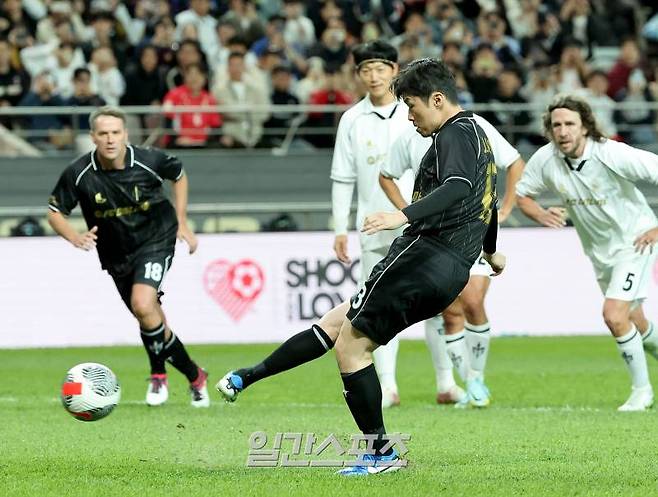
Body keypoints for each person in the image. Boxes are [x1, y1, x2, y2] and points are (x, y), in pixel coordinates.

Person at [218, 59, 505, 474]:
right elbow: (487, 201)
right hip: (449, 267)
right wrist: (491, 252)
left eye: (412, 105)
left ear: (437, 100)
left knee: (351, 348)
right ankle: (249, 376)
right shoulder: (479, 134)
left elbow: (458, 187)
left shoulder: (453, 134)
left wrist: (402, 215)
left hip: (423, 257)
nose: (409, 115)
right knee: (336, 324)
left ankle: (380, 454)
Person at [47, 105, 210, 408]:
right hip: (116, 254)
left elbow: (178, 173)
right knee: (151, 318)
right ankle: (195, 376)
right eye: (103, 133)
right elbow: (55, 212)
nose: (110, 139)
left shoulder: (148, 160)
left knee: (142, 303)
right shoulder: (79, 173)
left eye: (116, 132)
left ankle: (158, 373)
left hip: (156, 240)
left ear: (125, 134)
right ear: (93, 137)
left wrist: (182, 219)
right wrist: (74, 236)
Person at [516, 95, 658, 411]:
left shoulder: (611, 153)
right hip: (600, 253)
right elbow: (522, 194)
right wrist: (539, 214)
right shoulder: (546, 159)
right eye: (557, 125)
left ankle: (641, 391)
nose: (563, 131)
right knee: (636, 321)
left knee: (613, 314)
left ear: (585, 127)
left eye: (570, 124)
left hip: (635, 242)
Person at [379, 109, 524, 408]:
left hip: (472, 233)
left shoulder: (474, 127)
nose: (409, 115)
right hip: (436, 240)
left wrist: (507, 207)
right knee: (450, 312)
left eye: (412, 104)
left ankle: (477, 376)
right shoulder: (411, 137)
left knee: (472, 301)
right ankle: (469, 382)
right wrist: (408, 213)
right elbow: (386, 175)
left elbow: (512, 162)